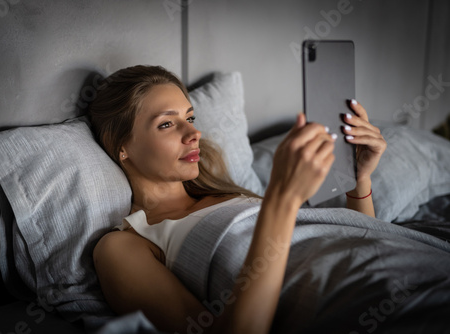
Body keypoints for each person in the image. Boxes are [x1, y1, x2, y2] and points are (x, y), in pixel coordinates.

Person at [89, 65, 387, 333]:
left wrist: (358, 180)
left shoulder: (230, 197)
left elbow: (362, 245)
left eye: (190, 117)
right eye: (167, 124)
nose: (194, 132)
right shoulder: (124, 246)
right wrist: (282, 201)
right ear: (122, 147)